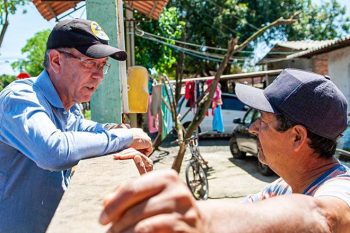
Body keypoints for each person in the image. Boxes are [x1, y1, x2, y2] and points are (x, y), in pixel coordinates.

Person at [99, 69, 350, 233]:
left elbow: (322, 216)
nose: (252, 128)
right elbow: (239, 217)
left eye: (262, 120)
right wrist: (155, 195)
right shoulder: (282, 188)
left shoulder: (341, 189)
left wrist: (202, 221)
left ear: (297, 137)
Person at [0, 19, 153, 233]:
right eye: (89, 63)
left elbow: (83, 127)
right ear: (56, 61)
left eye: (102, 66)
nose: (98, 76)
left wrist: (116, 131)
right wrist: (127, 138)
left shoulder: (69, 106)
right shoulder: (21, 98)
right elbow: (52, 151)